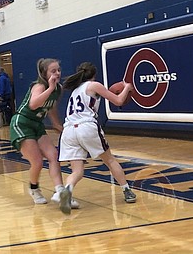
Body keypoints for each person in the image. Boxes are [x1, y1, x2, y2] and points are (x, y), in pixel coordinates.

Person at [58, 62, 137, 214]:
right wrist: (127, 87)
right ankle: (127, 191)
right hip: (86, 127)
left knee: (77, 171)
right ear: (94, 74)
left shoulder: (75, 90)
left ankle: (67, 191)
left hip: (68, 130)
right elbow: (119, 101)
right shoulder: (93, 85)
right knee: (110, 160)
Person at [9, 58, 71, 207]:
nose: (57, 73)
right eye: (53, 71)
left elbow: (51, 106)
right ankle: (34, 188)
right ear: (44, 73)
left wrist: (57, 124)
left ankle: (60, 192)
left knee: (53, 156)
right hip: (22, 123)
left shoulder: (58, 88)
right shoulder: (39, 86)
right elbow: (33, 104)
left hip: (37, 124)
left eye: (58, 70)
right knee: (37, 161)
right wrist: (49, 88)